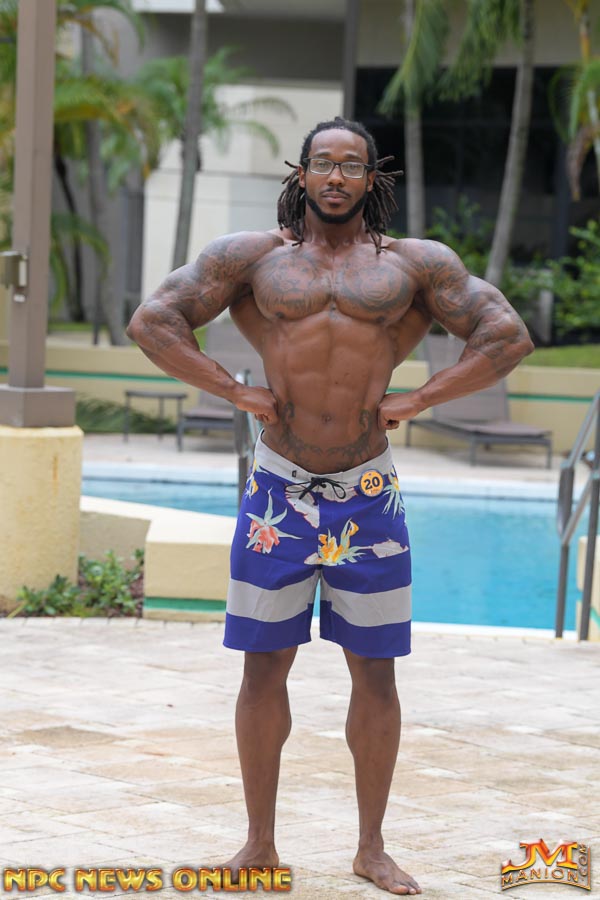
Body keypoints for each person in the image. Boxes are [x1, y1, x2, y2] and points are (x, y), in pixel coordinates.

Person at [127, 116, 533, 896]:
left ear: (373, 178)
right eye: (323, 164)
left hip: (367, 494)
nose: (337, 178)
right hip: (277, 492)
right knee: (262, 669)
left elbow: (505, 335)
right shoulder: (253, 259)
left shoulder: (414, 265)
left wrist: (421, 398)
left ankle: (371, 848)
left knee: (376, 673)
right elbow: (154, 321)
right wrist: (232, 388)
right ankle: (258, 845)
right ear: (302, 174)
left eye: (351, 166)